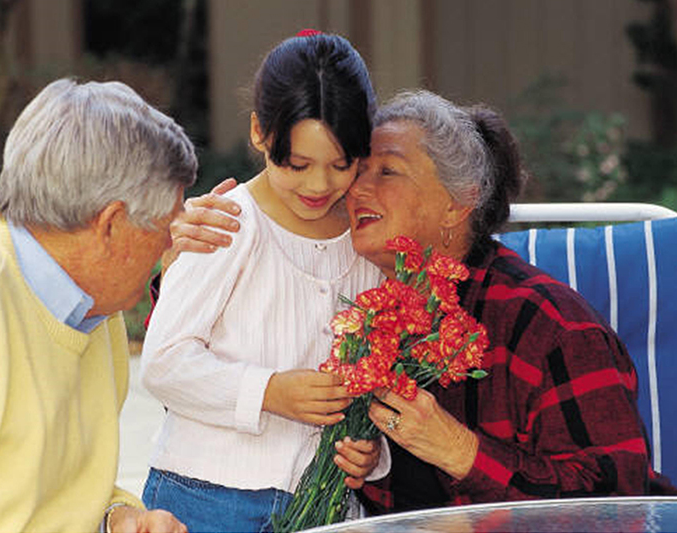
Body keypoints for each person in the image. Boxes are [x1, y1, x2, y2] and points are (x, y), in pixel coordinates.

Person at [165, 89, 671, 511]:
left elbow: (621, 502)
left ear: (457, 201)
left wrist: (457, 449)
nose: (355, 189)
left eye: (387, 172)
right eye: (354, 169)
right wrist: (191, 254)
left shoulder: (549, 325)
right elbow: (228, 328)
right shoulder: (361, 293)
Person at [0, 78, 195, 533]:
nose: (172, 240)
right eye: (167, 223)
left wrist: (116, 518)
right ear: (110, 225)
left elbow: (42, 493)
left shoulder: (93, 307)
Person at [139, 31, 388, 532]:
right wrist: (268, 391)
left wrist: (372, 454)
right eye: (297, 165)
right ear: (259, 132)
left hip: (327, 504)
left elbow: (372, 375)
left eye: (342, 165)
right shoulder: (227, 224)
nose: (319, 186)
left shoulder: (368, 241)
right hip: (207, 496)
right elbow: (163, 363)